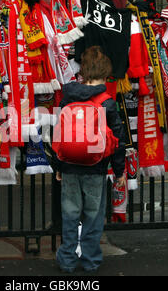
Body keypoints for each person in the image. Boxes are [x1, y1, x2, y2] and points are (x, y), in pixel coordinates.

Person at [53, 46, 126, 273]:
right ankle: (90, 260)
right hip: (96, 167)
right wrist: (120, 171)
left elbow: (57, 134)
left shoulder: (67, 99)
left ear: (82, 72)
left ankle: (66, 260)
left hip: (69, 166)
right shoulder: (107, 102)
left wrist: (58, 165)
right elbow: (118, 140)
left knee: (70, 214)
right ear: (105, 73)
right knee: (93, 216)